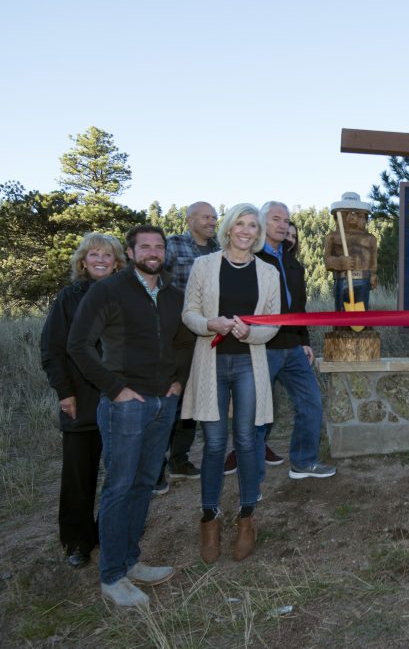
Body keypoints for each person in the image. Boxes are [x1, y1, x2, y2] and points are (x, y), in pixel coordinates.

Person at [67, 224, 193, 608]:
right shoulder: (109, 290)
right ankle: (111, 576)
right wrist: (115, 388)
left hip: (163, 403)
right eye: (146, 247)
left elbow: (185, 342)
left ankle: (130, 561)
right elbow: (78, 344)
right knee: (119, 487)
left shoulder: (173, 294)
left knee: (143, 484)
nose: (153, 252)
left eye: (159, 246)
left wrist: (179, 381)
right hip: (125, 405)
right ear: (132, 251)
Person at [181, 203, 280, 563]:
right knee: (213, 444)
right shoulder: (203, 265)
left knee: (248, 440)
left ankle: (246, 517)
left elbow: (274, 323)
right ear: (229, 227)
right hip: (211, 363)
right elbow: (189, 312)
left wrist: (250, 332)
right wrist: (211, 324)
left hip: (248, 365)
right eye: (240, 223)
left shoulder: (269, 272)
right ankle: (209, 519)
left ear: (258, 233)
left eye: (253, 225)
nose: (246, 230)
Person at [40, 232, 125, 569]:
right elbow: (52, 350)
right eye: (94, 255)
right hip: (81, 398)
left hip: (122, 397)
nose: (101, 260)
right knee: (79, 475)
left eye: (107, 254)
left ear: (117, 261)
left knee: (121, 473)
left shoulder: (127, 295)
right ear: (83, 261)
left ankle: (112, 532)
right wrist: (65, 393)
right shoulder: (68, 299)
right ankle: (77, 541)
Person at [254, 206, 335, 481]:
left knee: (310, 401)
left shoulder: (293, 264)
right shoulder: (250, 258)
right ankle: (249, 468)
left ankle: (303, 462)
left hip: (293, 348)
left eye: (286, 220)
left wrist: (305, 341)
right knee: (258, 411)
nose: (282, 225)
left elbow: (299, 307)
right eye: (276, 219)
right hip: (260, 347)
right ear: (261, 221)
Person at [156, 201, 220, 492]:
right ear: (190, 218)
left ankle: (179, 460)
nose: (211, 222)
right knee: (170, 396)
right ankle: (155, 468)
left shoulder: (220, 248)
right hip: (177, 335)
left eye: (214, 217)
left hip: (210, 334)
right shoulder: (172, 246)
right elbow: (154, 281)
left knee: (193, 399)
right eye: (206, 217)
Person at [324, 192, 378, 312]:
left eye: (357, 214)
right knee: (341, 311)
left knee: (361, 311)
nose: (352, 217)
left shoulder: (370, 239)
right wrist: (338, 262)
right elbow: (327, 261)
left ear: (365, 218)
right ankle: (340, 328)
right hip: (342, 279)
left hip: (363, 279)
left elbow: (373, 260)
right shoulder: (332, 237)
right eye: (346, 213)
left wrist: (373, 275)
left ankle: (362, 328)